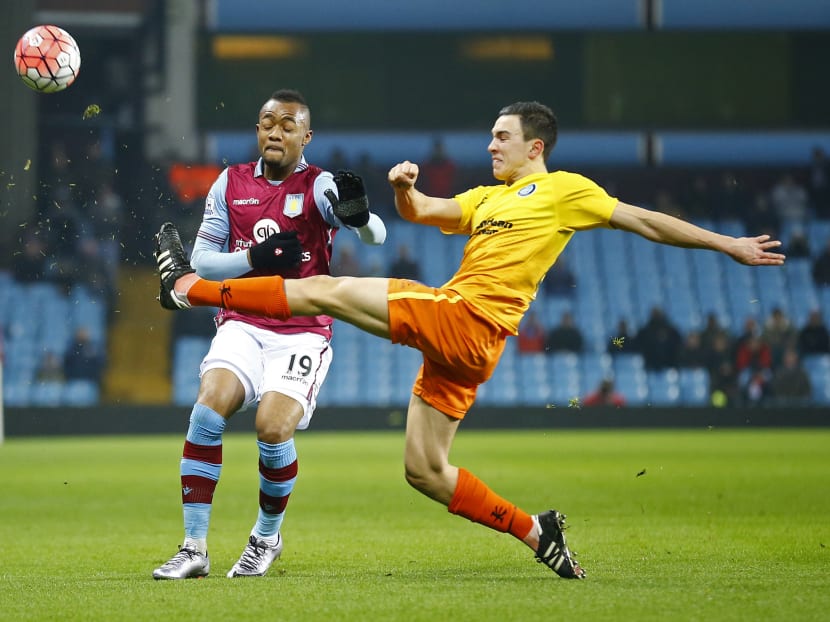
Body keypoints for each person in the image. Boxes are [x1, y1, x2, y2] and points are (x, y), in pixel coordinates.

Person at [155, 100, 785, 579]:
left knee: (327, 289)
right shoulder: (488, 198)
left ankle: (186, 289)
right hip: (466, 346)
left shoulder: (566, 191)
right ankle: (539, 533)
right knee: (424, 471)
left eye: (502, 137)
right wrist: (404, 190)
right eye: (490, 137)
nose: (491, 146)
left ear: (535, 147)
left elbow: (643, 220)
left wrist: (725, 243)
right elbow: (426, 213)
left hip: (467, 318)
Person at [151, 89, 387, 581]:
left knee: (272, 428)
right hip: (243, 320)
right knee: (207, 409)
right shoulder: (229, 182)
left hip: (302, 333)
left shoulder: (319, 185)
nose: (275, 131)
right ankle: (194, 547)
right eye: (266, 122)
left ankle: (265, 537)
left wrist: (359, 217)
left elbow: (374, 235)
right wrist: (252, 261)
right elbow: (203, 261)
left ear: (306, 136)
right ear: (258, 130)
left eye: (287, 124)